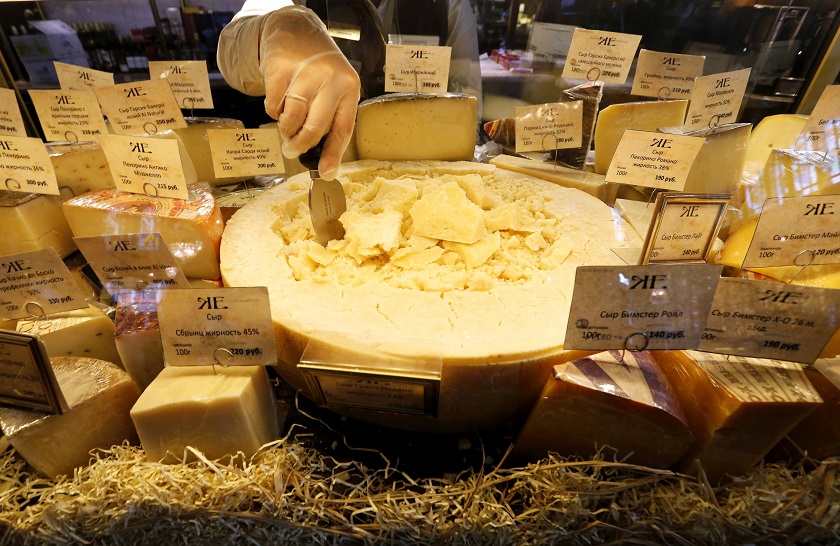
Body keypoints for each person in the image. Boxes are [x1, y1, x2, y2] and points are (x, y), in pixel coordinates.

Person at [217, 0, 481, 180]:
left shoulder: (449, 4)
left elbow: (465, 88)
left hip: (423, 173)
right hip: (326, 171)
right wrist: (272, 28)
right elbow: (231, 53)